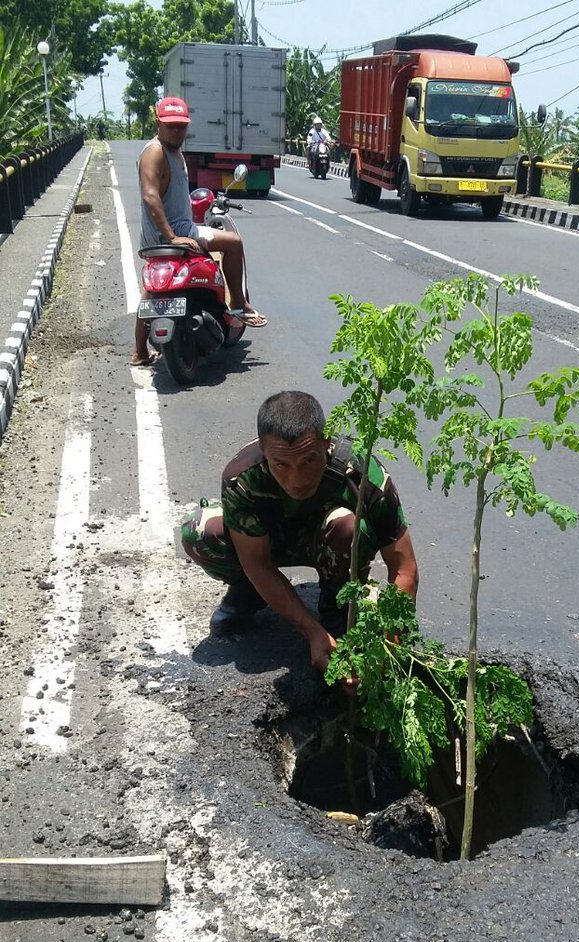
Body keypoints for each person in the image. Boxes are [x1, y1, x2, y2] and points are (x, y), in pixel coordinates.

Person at [181, 390, 419, 674]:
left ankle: (337, 607)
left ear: (326, 443)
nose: (297, 480)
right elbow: (256, 562)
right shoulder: (243, 477)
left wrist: (390, 640)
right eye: (281, 464)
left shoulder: (362, 472)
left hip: (329, 542)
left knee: (351, 527)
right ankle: (249, 592)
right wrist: (311, 631)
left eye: (309, 460)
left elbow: (404, 567)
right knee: (201, 532)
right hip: (265, 544)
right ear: (264, 452)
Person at [132, 96, 267, 366]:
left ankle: (139, 351)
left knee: (152, 292)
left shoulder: (172, 150)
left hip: (159, 237)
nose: (176, 131)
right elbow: (150, 196)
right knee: (233, 243)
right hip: (175, 233)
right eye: (171, 126)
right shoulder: (155, 151)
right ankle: (239, 305)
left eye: (181, 126)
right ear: (158, 123)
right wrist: (172, 236)